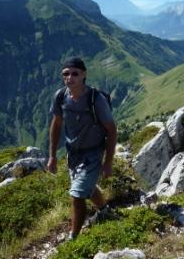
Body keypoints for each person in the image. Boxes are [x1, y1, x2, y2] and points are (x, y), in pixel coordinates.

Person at [47, 57, 117, 240]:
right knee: (88, 187)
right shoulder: (60, 97)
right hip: (73, 153)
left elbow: (112, 130)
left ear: (84, 75)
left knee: (77, 195)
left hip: (93, 152)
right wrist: (52, 155)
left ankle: (74, 238)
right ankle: (105, 211)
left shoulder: (96, 100)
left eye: (74, 74)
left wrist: (108, 163)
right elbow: (56, 124)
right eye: (66, 74)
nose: (70, 78)